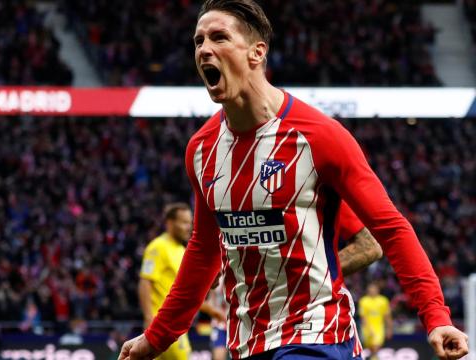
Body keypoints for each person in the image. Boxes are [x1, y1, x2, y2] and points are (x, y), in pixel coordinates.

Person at [119, 1, 469, 359]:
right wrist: (157, 337)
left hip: (317, 334)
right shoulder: (201, 150)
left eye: (219, 37)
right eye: (198, 41)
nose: (204, 49)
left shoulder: (319, 137)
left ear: (257, 53)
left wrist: (436, 316)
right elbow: (204, 249)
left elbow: (389, 230)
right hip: (247, 341)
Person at [207, 204, 383, 360]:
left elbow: (368, 247)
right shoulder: (225, 191)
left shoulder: (310, 184)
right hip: (252, 331)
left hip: (312, 324)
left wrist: (296, 276)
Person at [139, 203, 226, 360]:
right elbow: (145, 283)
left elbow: (189, 293)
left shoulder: (182, 251)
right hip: (163, 325)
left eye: (190, 223)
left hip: (175, 325)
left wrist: (211, 311)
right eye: (184, 222)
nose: (188, 227)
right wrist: (148, 318)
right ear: (170, 223)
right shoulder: (157, 247)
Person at [359, 283, 393, 360]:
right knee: (371, 348)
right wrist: (368, 329)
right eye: (370, 289)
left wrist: (389, 329)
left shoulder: (383, 301)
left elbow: (387, 316)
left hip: (379, 328)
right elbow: (363, 317)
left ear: (378, 290)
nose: (372, 290)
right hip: (367, 328)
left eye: (374, 289)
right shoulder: (364, 301)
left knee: (376, 347)